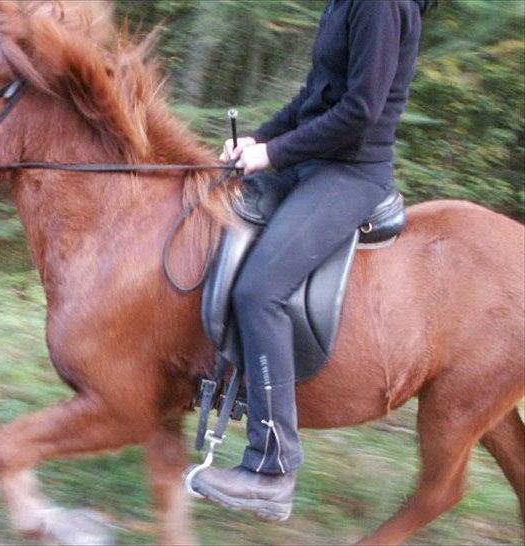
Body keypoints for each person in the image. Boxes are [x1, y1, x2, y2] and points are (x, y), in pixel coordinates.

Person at [188, 0, 434, 521]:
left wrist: (273, 155)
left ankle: (272, 469)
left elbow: (360, 109)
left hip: (352, 174)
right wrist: (260, 139)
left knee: (260, 291)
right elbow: (313, 96)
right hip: (311, 163)